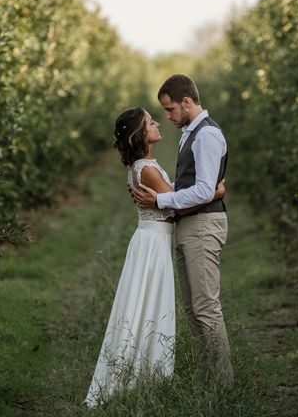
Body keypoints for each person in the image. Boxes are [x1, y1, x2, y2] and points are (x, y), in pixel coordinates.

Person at [85, 106, 225, 407]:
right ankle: (144, 375)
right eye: (151, 121)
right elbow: (178, 207)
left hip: (153, 239)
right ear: (140, 133)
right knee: (147, 305)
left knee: (145, 305)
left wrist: (170, 196)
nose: (158, 123)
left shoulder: (143, 165)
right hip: (153, 243)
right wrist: (215, 193)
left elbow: (169, 198)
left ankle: (143, 373)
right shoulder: (145, 168)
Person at [131, 74, 233, 386]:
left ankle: (223, 384)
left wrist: (161, 198)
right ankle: (208, 380)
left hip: (203, 225)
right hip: (191, 225)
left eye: (171, 109)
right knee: (193, 309)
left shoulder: (207, 136)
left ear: (186, 102)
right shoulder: (190, 132)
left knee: (206, 309)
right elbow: (197, 186)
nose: (168, 116)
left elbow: (203, 190)